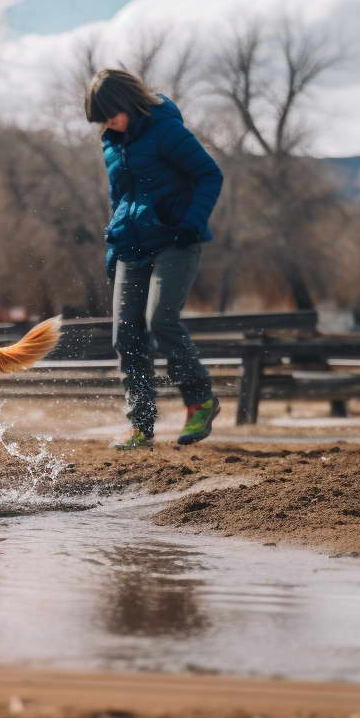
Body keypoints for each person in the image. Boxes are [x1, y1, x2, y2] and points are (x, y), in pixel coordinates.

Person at [85, 68, 223, 449]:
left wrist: (191, 224)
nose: (109, 122)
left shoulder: (166, 130)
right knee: (125, 334)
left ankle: (200, 402)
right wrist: (114, 248)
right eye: (102, 118)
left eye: (112, 113)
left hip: (175, 240)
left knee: (160, 320)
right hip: (131, 244)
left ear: (129, 102)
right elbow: (119, 200)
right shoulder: (111, 143)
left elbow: (210, 175)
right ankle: (141, 426)